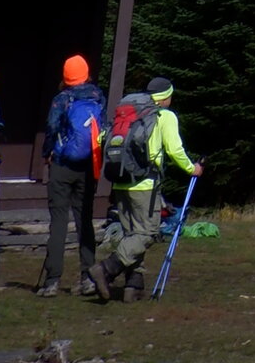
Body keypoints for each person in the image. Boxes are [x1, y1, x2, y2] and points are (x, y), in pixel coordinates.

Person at [88, 77, 193, 299]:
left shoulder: (128, 113)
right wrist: (192, 169)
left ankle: (133, 287)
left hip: (120, 180)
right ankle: (106, 269)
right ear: (165, 97)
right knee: (147, 233)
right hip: (145, 183)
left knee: (131, 235)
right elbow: (174, 150)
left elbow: (100, 138)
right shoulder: (164, 116)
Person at [39, 55, 104, 295]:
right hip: (87, 167)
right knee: (84, 221)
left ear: (65, 76)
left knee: (58, 221)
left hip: (62, 165)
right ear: (86, 74)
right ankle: (88, 277)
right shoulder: (97, 97)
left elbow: (51, 129)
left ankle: (52, 281)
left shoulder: (61, 99)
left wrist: (48, 154)